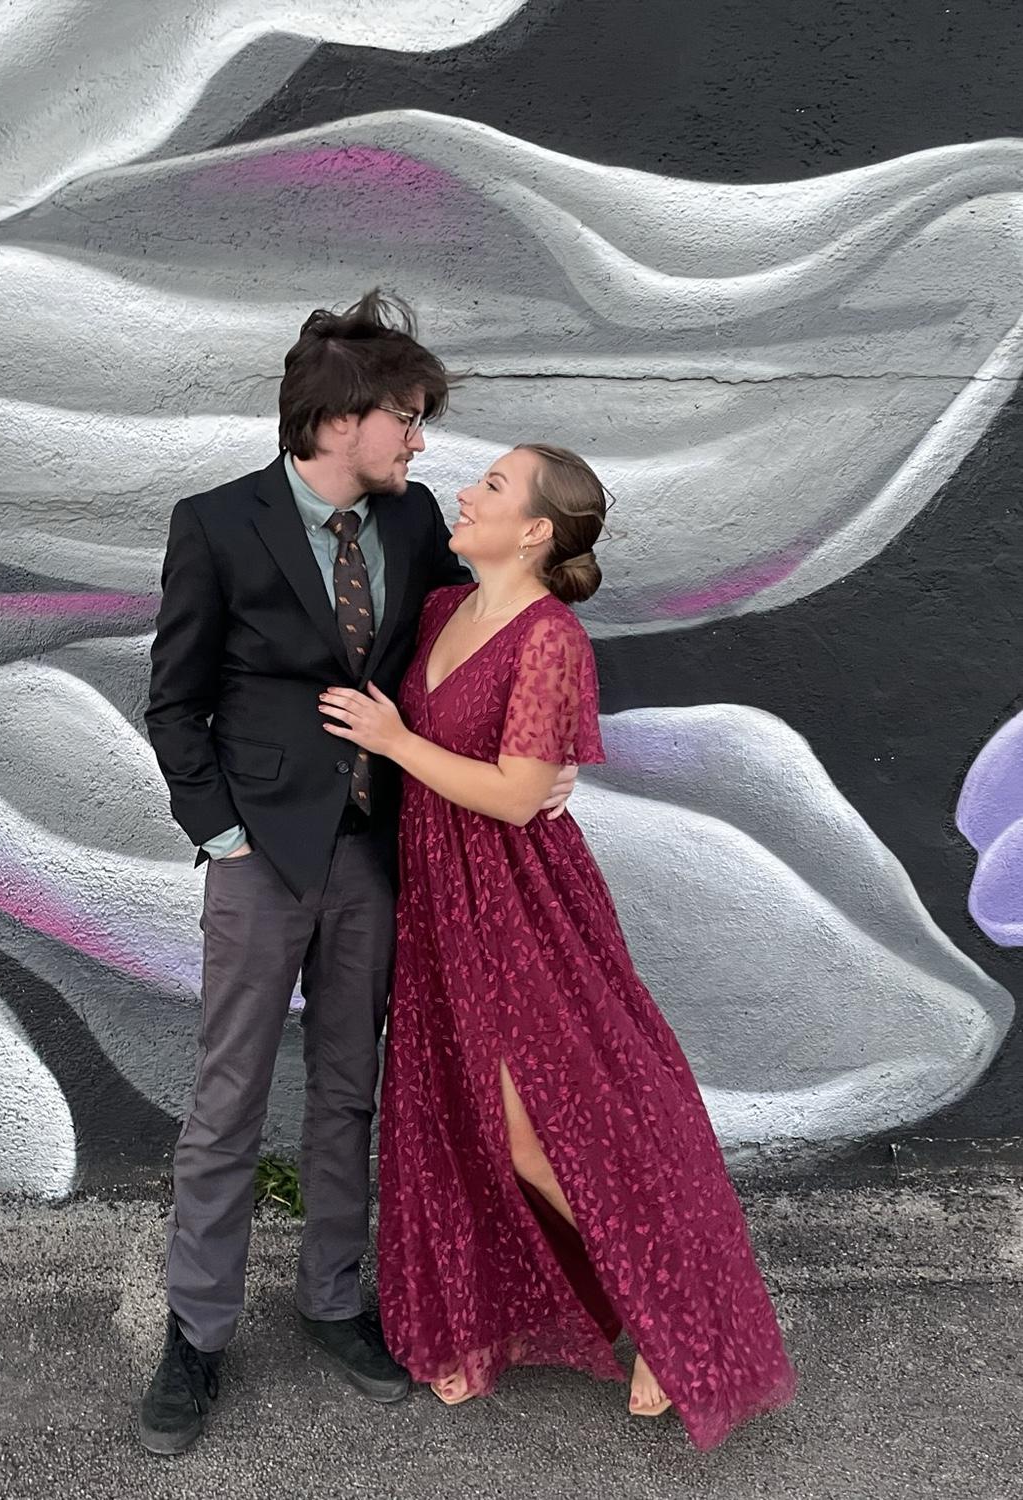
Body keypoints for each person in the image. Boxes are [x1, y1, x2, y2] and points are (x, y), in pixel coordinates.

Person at [140, 293, 579, 1455]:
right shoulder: (218, 524)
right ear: (342, 420)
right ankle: (196, 1333)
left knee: (349, 1091)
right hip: (259, 859)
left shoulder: (414, 519)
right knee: (228, 1100)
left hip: (379, 855)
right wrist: (221, 835)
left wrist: (546, 751)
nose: (420, 442)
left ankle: (335, 1302)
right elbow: (175, 701)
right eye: (407, 418)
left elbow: (486, 634)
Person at [319, 442, 797, 1451]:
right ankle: (477, 1322)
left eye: (491, 485)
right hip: (439, 900)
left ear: (535, 529)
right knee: (454, 1110)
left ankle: (674, 1314)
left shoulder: (551, 639)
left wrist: (395, 740)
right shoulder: (443, 610)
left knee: (534, 1127)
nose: (465, 489)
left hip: (520, 903)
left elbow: (517, 794)